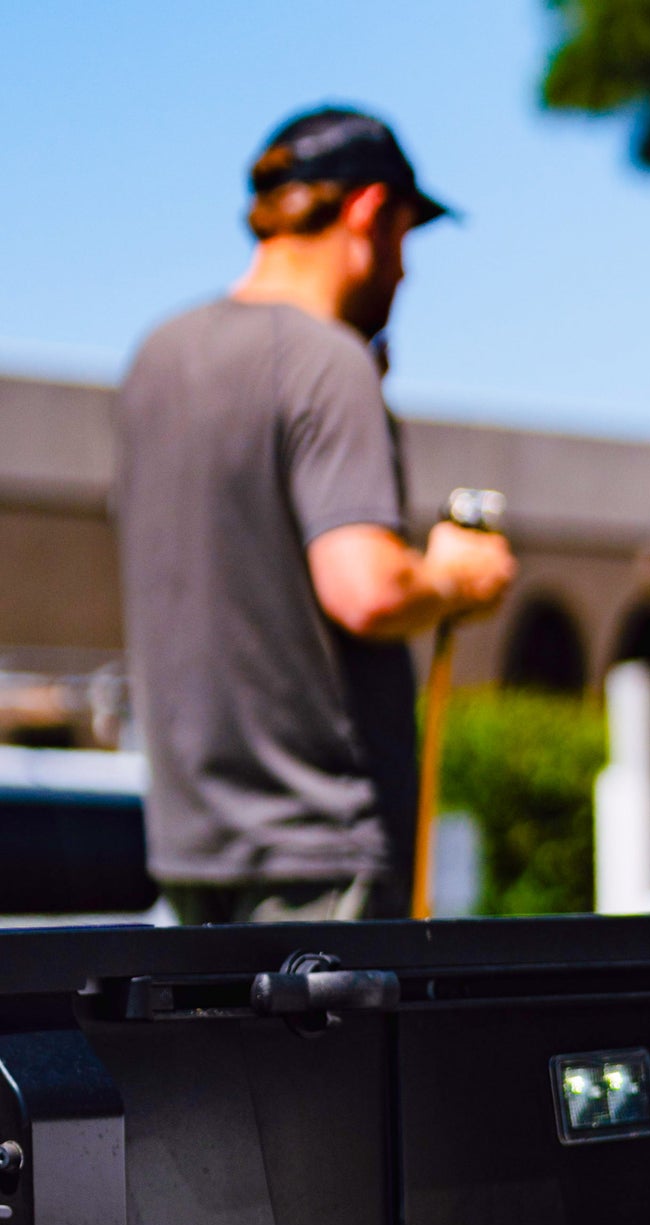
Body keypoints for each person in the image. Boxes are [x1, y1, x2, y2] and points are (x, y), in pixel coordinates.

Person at [115, 107, 516, 923]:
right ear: (369, 211)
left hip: (191, 850)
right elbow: (367, 590)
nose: (403, 272)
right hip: (321, 858)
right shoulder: (326, 362)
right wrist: (457, 576)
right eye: (405, 238)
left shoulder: (157, 357)